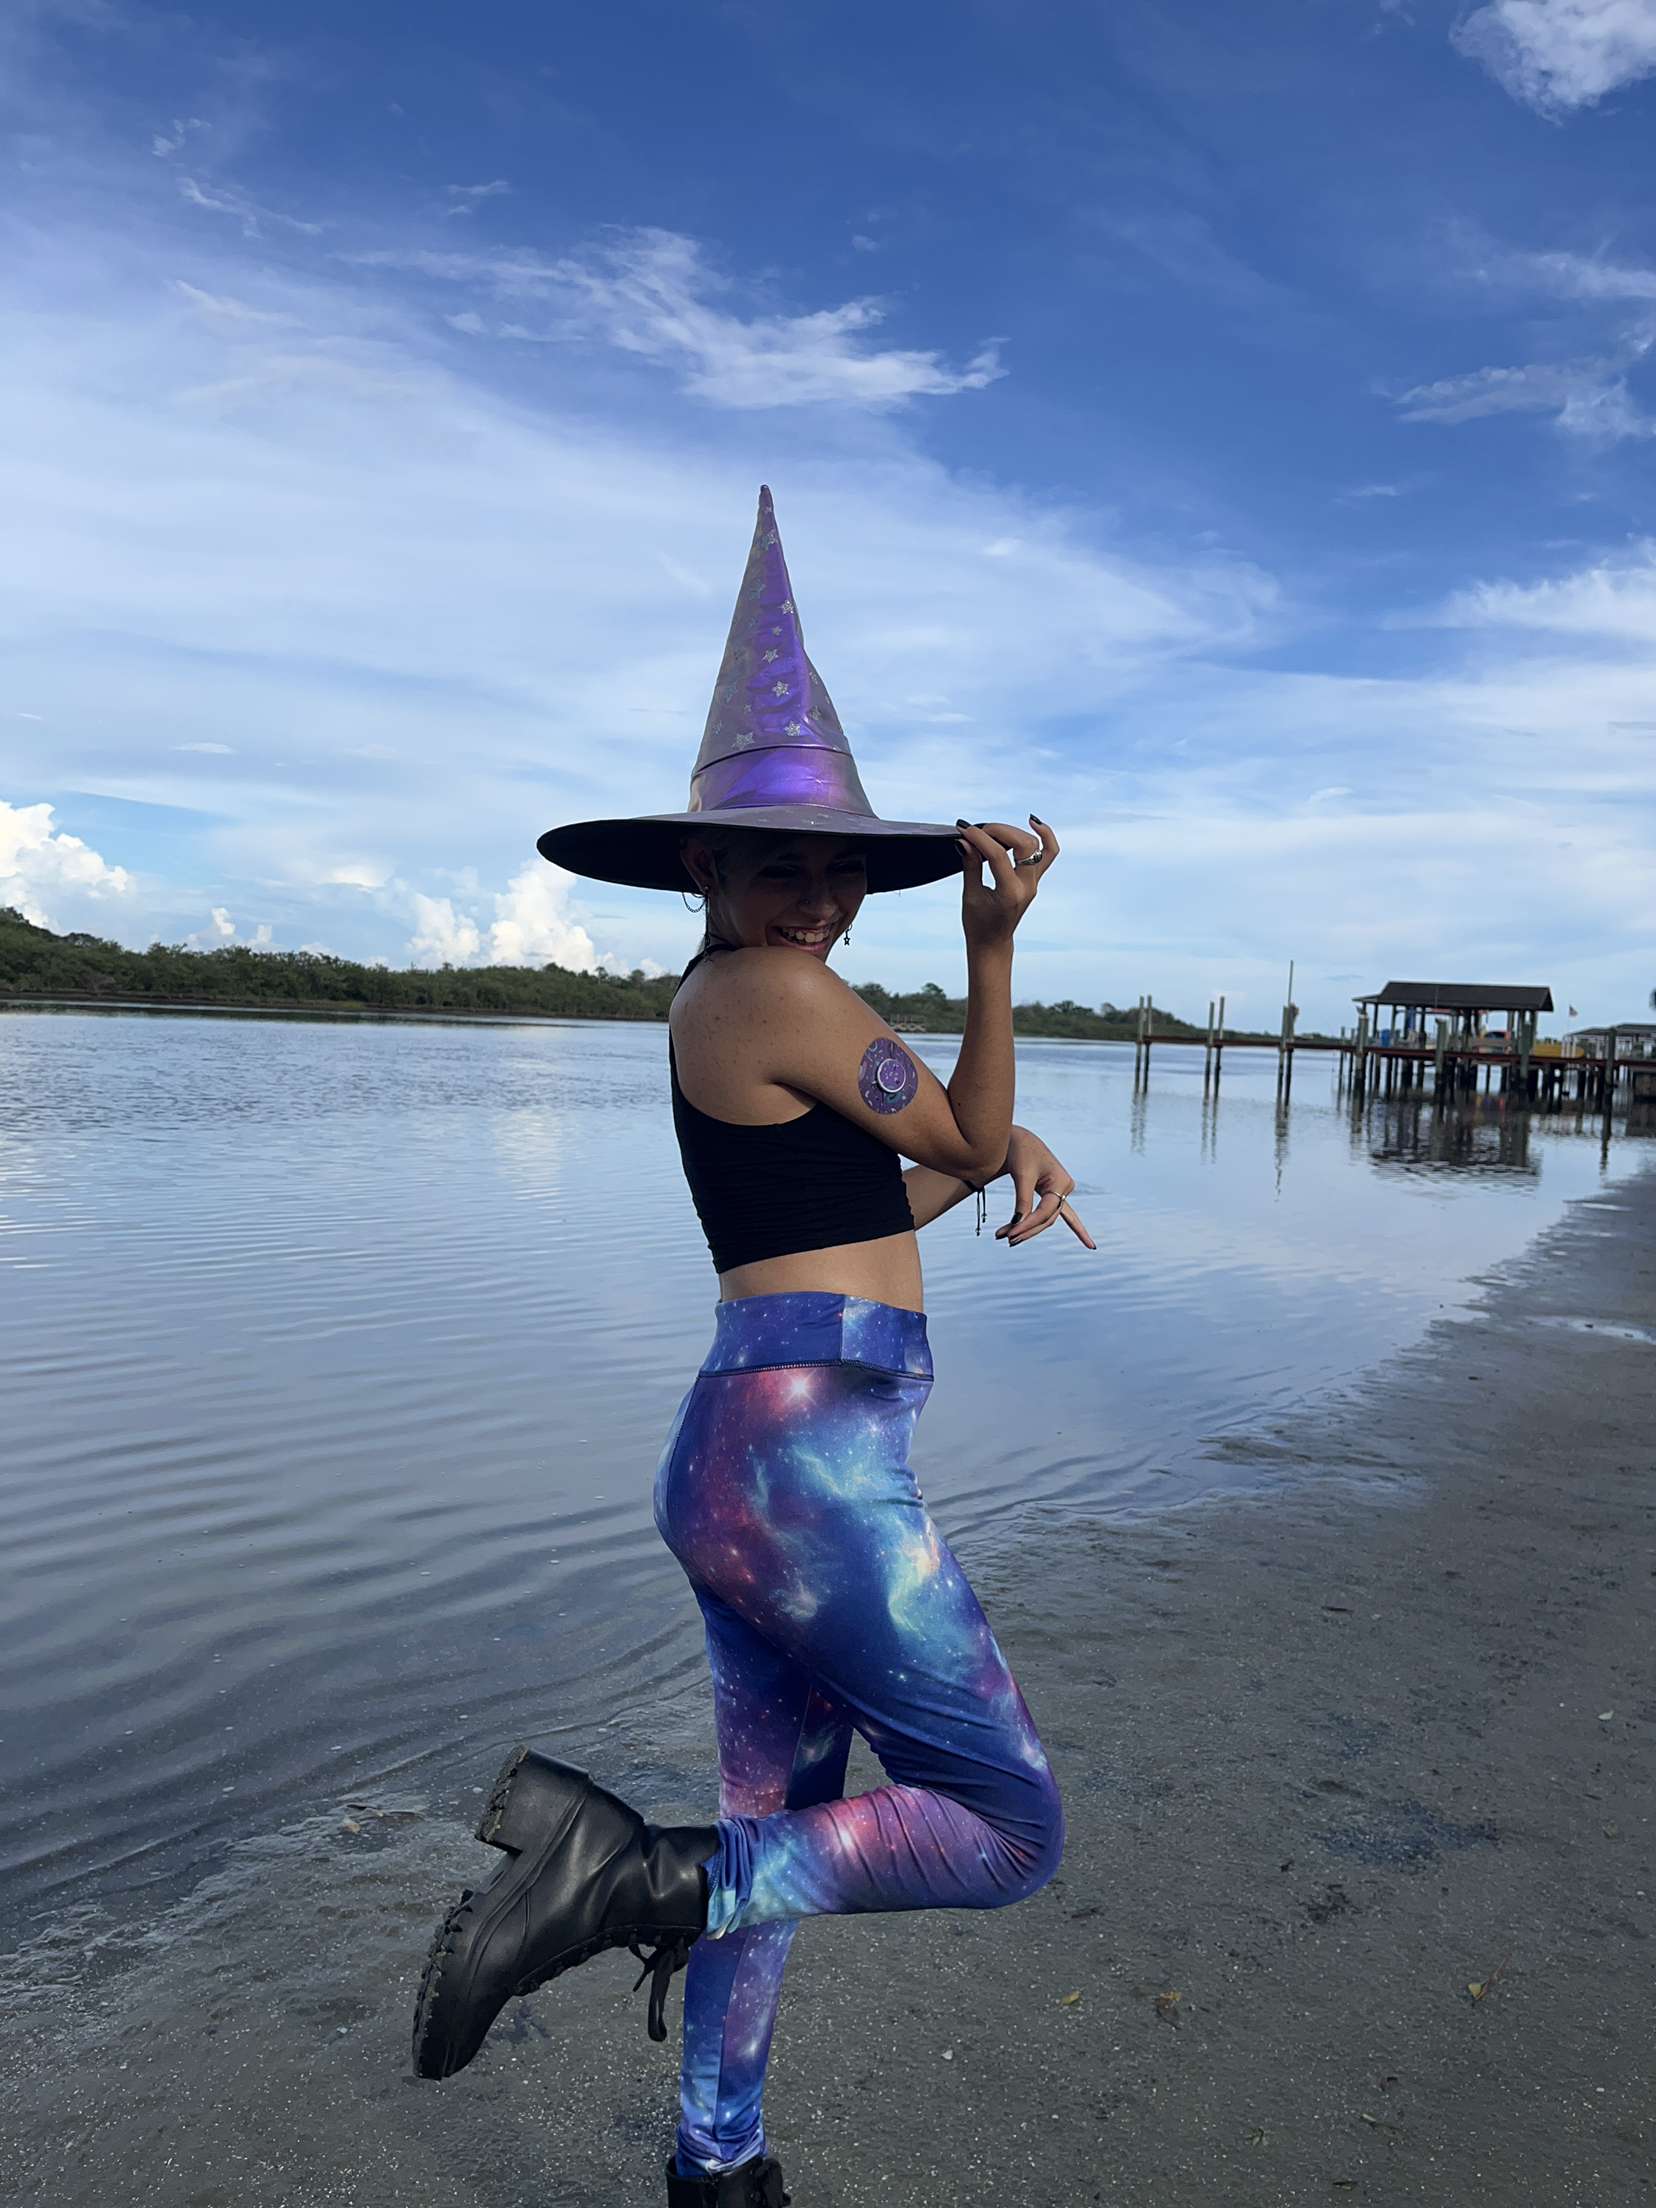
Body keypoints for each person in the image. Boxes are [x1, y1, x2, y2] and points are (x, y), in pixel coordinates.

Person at [410, 487, 1095, 2207]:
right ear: (701, 867)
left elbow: (866, 1224)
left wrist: (979, 1156)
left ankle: (720, 2166)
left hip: (752, 1444)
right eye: (778, 859)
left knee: (776, 1846)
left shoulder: (724, 1011)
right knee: (1004, 1830)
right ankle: (618, 1874)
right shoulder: (779, 993)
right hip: (811, 1472)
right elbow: (958, 1130)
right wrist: (994, 959)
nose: (816, 897)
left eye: (839, 870)